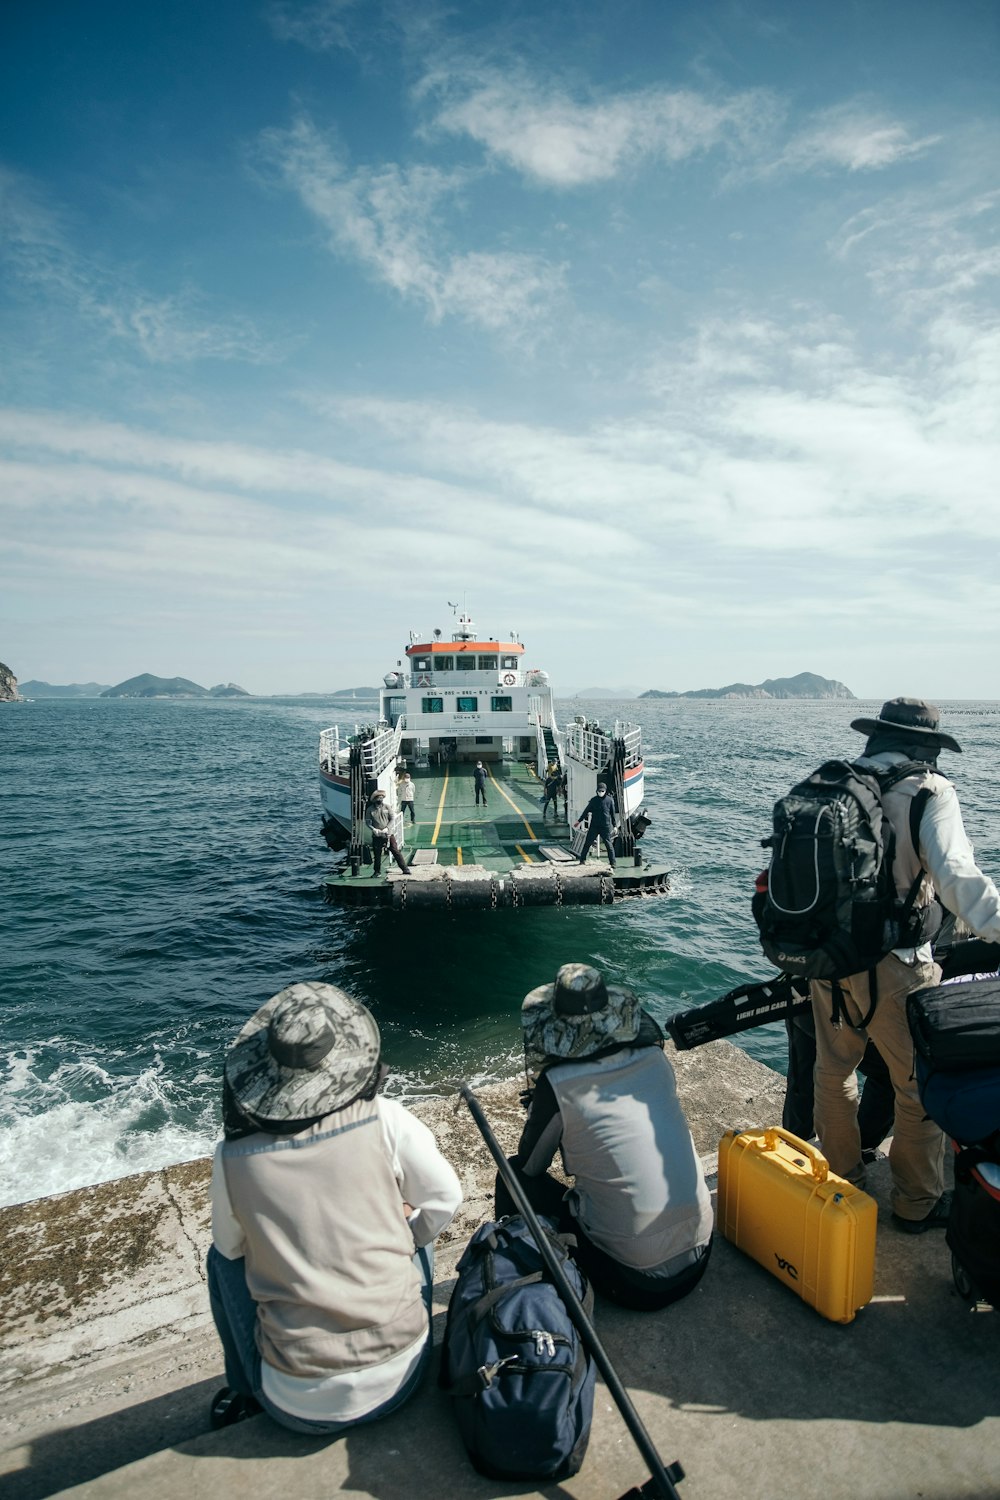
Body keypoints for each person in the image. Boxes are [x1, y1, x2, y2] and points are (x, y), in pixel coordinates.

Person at [207, 981, 462, 1433]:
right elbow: (446, 1198)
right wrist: (405, 1235)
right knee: (410, 1217)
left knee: (220, 1258)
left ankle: (245, 1392)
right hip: (406, 1374)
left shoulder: (233, 1155)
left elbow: (230, 1248)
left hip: (296, 1405)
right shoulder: (385, 1117)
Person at [810, 698, 1000, 1233]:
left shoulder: (833, 781)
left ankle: (844, 1180)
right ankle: (916, 1202)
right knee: (917, 1087)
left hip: (827, 957)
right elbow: (958, 880)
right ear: (925, 748)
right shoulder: (928, 791)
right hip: (897, 965)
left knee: (833, 1070)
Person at [495, 963, 713, 1310]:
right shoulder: (654, 1058)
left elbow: (531, 1166)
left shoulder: (559, 1084)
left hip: (635, 1281)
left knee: (510, 1177)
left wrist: (545, 1111)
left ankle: (517, 1283)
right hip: (700, 1252)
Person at [364, 789, 408, 875]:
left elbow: (392, 819)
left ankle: (405, 869)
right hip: (377, 835)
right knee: (377, 854)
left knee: (395, 851)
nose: (380, 799)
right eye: (378, 798)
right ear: (375, 799)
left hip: (388, 834)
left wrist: (387, 828)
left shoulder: (387, 807)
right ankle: (377, 872)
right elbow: (368, 822)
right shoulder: (370, 810)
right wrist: (374, 829)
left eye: (382, 798)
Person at [574, 782, 617, 868]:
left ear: (605, 791)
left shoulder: (610, 800)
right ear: (596, 791)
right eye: (599, 791)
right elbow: (586, 812)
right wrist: (579, 821)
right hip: (594, 826)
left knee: (609, 845)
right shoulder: (593, 800)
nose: (600, 792)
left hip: (605, 827)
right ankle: (582, 860)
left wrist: (615, 826)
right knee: (587, 843)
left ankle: (613, 863)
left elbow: (612, 814)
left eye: (602, 791)